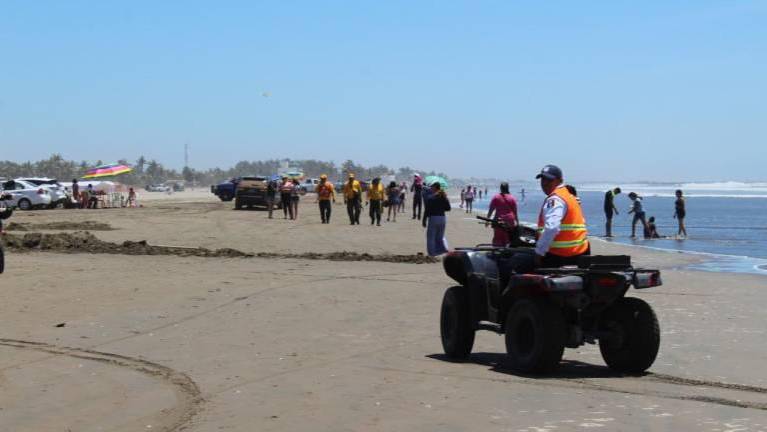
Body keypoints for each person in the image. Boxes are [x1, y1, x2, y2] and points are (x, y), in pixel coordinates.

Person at [532, 165, 590, 268]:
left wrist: (539, 252)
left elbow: (551, 228)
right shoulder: (570, 196)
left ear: (560, 180)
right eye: (543, 179)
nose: (544, 183)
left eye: (549, 180)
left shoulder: (555, 199)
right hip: (580, 252)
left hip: (559, 257)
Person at [422, 182, 451, 256]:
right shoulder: (443, 196)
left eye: (432, 187)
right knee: (440, 237)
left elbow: (427, 210)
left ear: (435, 188)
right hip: (442, 218)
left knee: (430, 237)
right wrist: (441, 207)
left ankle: (432, 253)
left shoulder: (431, 197)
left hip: (434, 218)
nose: (431, 188)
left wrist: (424, 220)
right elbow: (448, 208)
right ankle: (440, 251)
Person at [486, 182, 518, 246]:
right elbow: (515, 212)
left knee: (497, 239)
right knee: (508, 239)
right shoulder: (512, 198)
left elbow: (491, 210)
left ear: (500, 188)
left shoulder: (496, 197)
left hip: (499, 220)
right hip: (510, 221)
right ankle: (506, 252)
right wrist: (517, 222)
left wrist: (487, 220)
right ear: (508, 188)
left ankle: (496, 252)